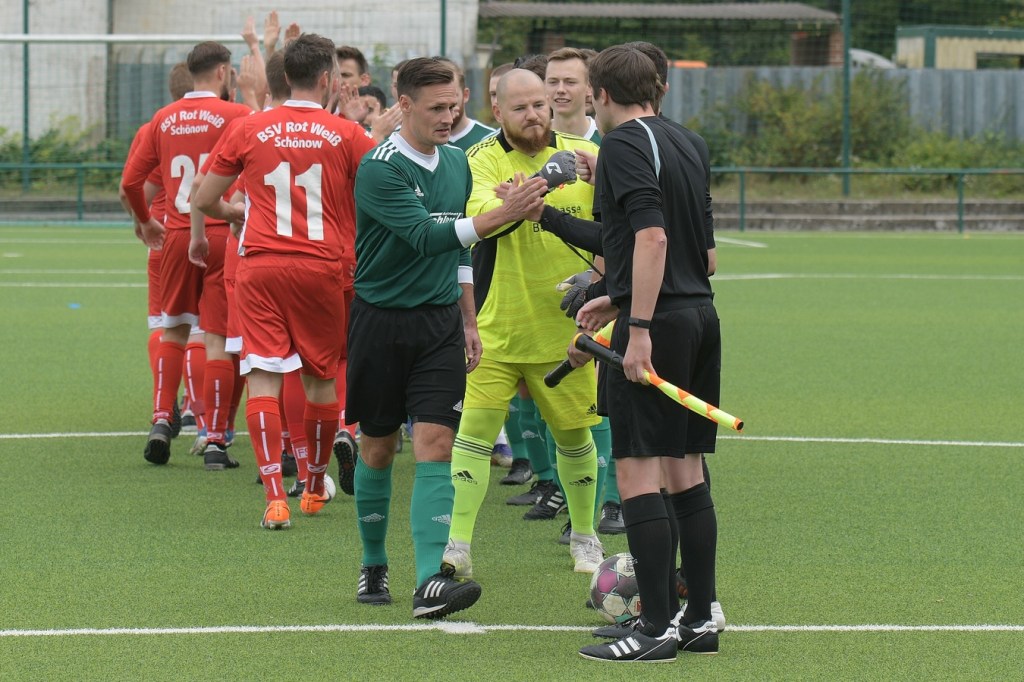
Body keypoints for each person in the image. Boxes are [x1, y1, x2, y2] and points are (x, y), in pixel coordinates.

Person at [346, 57, 548, 618]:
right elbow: (425, 236)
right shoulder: (379, 168)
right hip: (380, 323)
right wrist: (503, 214)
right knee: (378, 448)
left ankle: (430, 580)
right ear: (403, 104)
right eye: (436, 108)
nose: (448, 117)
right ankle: (373, 562)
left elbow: (458, 251)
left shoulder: (458, 161)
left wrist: (467, 317)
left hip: (438, 325)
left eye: (454, 107)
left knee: (436, 442)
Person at [565, 45, 720, 663]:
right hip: (699, 315)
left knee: (635, 470)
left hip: (659, 324)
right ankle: (699, 619)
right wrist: (618, 296)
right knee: (685, 470)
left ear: (600, 95)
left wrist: (639, 326)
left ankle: (654, 628)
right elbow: (704, 256)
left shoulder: (623, 144)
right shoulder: (689, 141)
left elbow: (652, 237)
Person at [193, 33, 377, 529]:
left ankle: (275, 497)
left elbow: (204, 198)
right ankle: (314, 485)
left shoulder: (250, 127)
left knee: (263, 375)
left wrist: (236, 213)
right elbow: (384, 190)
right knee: (320, 380)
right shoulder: (347, 134)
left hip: (261, 266)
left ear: (286, 77)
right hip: (323, 269)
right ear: (327, 79)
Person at [439, 68, 605, 592]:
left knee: (575, 435)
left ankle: (585, 536)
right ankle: (458, 544)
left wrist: (599, 277)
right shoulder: (479, 158)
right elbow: (486, 218)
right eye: (520, 108)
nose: (534, 115)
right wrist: (539, 187)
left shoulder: (587, 154)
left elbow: (615, 227)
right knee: (474, 434)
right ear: (498, 111)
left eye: (539, 104)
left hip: (566, 328)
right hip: (497, 326)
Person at [121, 41, 254, 470]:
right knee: (217, 339)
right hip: (223, 233)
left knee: (173, 329)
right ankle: (215, 440)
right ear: (223, 72)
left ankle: (162, 418)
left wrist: (146, 221)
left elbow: (130, 183)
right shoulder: (238, 114)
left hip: (176, 234)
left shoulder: (162, 118)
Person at [545, 47, 601, 142]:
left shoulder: (606, 138)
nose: (560, 90)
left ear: (589, 87)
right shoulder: (533, 139)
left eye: (570, 82)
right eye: (553, 82)